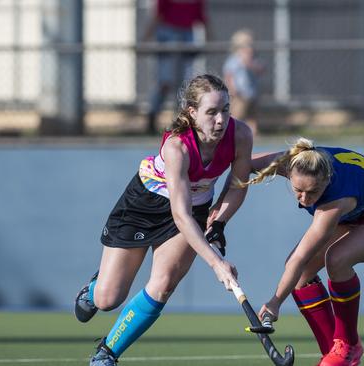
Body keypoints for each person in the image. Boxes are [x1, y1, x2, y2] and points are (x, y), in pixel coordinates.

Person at [74, 74, 254, 366]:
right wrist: (216, 263)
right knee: (108, 299)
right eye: (211, 112)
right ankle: (95, 288)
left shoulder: (241, 135)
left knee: (164, 283)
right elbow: (179, 215)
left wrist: (219, 222)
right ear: (191, 113)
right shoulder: (177, 147)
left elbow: (236, 185)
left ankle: (107, 354)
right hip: (145, 205)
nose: (220, 120)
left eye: (225, 109)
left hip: (194, 207)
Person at [242, 138, 364, 366]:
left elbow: (299, 257)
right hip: (362, 206)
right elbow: (243, 163)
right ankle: (334, 355)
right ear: (289, 172)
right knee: (303, 274)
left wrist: (275, 302)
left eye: (313, 192)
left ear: (326, 180)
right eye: (298, 190)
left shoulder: (335, 200)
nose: (304, 199)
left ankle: (348, 346)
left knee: (337, 259)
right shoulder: (296, 161)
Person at [143, 0, 209, 135]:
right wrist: (146, 36)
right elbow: (159, 15)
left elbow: (201, 17)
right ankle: (152, 116)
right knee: (165, 81)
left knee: (187, 82)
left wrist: (210, 38)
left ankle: (184, 121)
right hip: (168, 34)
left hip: (187, 35)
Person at [223, 29, 263, 136]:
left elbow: (261, 70)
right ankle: (230, 133)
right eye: (245, 46)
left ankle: (253, 133)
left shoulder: (253, 60)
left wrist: (250, 64)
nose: (249, 49)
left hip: (252, 93)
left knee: (252, 117)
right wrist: (232, 89)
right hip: (240, 94)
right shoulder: (234, 60)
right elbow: (229, 75)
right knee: (237, 115)